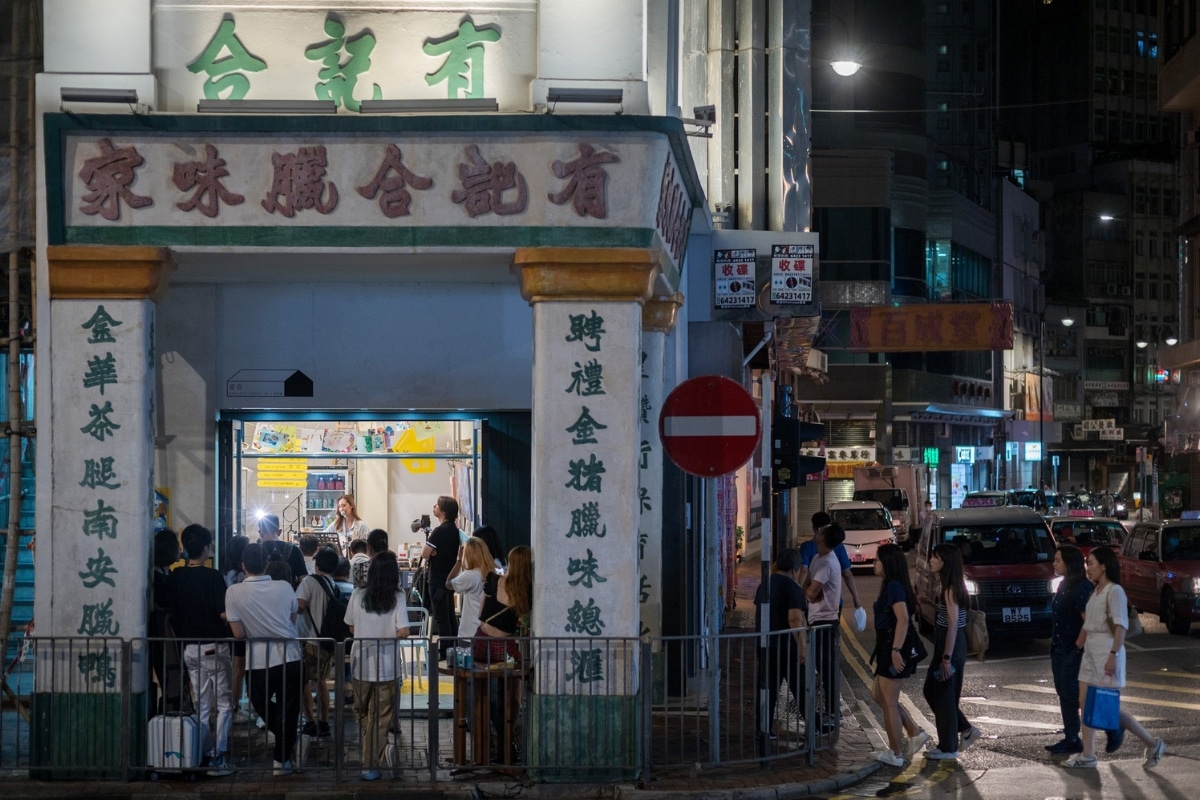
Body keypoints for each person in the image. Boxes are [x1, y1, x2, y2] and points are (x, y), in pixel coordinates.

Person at [1063, 546, 1166, 770]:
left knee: (1105, 707)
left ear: (1104, 566)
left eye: (1090, 563)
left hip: (1106, 652)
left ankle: (1153, 743)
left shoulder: (1114, 591)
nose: (1087, 568)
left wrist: (1113, 655)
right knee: (1085, 704)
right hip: (1090, 653)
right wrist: (1076, 649)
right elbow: (1089, 624)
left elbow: (1121, 626)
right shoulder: (1096, 590)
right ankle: (1088, 754)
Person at [224, 542, 304, 776]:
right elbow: (291, 620)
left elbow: (238, 634)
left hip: (257, 660)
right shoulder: (285, 587)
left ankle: (284, 749)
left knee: (260, 702)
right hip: (290, 655)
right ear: (267, 563)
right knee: (289, 709)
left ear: (243, 565)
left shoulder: (233, 592)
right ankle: (282, 759)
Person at [162, 524, 235, 776]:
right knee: (224, 703)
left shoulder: (175, 577)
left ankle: (202, 752)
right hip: (213, 646)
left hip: (188, 649)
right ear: (205, 549)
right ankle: (219, 754)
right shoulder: (213, 577)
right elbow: (223, 613)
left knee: (201, 702)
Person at [344, 550, 410, 781]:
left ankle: (370, 763)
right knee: (380, 717)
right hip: (388, 667)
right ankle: (381, 752)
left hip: (361, 664)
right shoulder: (398, 597)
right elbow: (404, 631)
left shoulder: (358, 595)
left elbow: (350, 628)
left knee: (360, 711)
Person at [921, 543, 981, 760]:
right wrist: (930, 603)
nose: (931, 561)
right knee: (935, 691)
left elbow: (954, 624)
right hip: (950, 642)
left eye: (935, 557)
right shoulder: (950, 587)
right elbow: (951, 616)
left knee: (943, 694)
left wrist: (946, 658)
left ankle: (949, 747)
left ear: (945, 562)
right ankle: (964, 729)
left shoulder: (950, 589)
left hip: (951, 645)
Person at [871, 543, 926, 767]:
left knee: (890, 702)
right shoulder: (891, 585)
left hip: (892, 646)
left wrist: (895, 650)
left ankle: (895, 753)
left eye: (877, 559)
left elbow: (903, 619)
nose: (875, 563)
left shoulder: (893, 586)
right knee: (879, 695)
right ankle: (914, 732)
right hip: (888, 645)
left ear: (888, 563)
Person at [753, 547, 807, 743]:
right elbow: (794, 618)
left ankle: (763, 728)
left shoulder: (764, 584)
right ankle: (813, 726)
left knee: (768, 687)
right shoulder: (793, 587)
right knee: (800, 687)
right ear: (795, 568)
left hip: (765, 644)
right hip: (786, 646)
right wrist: (802, 646)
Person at [1045, 544, 1092, 755]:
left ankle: (1075, 738)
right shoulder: (1064, 584)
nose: (1054, 564)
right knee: (1064, 693)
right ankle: (1071, 736)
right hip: (1059, 647)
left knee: (1071, 694)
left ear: (1069, 563)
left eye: (1058, 560)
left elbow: (1088, 622)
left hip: (1072, 649)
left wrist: (1076, 648)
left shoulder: (1081, 587)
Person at [803, 522, 845, 732]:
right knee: (822, 667)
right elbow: (807, 585)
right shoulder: (818, 558)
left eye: (821, 530)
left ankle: (833, 712)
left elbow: (810, 592)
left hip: (825, 621)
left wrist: (807, 593)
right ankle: (830, 711)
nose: (817, 531)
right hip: (816, 619)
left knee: (826, 669)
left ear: (823, 538)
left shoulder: (827, 563)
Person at [295, 546, 341, 739]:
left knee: (304, 682)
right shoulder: (333, 584)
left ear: (316, 564)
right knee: (321, 682)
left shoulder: (309, 582)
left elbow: (299, 606)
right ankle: (324, 722)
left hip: (309, 640)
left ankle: (310, 721)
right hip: (325, 641)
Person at [799, 512, 864, 621]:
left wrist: (800, 594)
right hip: (833, 603)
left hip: (819, 609)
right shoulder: (835, 548)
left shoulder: (810, 549)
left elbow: (804, 573)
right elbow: (847, 573)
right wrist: (856, 598)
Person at [422, 495, 462, 661]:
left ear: (443, 510)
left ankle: (444, 651)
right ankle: (453, 647)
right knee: (450, 616)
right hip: (449, 579)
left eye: (437, 505)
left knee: (441, 617)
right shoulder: (454, 530)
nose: (434, 507)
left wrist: (431, 553)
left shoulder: (439, 531)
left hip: (437, 579)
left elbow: (425, 553)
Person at [448, 536, 494, 641]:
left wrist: (459, 561)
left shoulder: (469, 575)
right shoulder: (493, 573)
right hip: (488, 631)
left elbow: (448, 584)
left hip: (469, 632)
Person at [258, 514, 307, 589]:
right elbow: (303, 579)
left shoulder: (255, 551)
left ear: (260, 533)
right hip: (287, 598)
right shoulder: (294, 550)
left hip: (260, 598)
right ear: (279, 532)